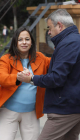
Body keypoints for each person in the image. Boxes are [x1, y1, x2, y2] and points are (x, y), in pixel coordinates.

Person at [17, 9, 80, 140]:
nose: (49, 32)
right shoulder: (75, 40)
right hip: (73, 106)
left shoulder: (68, 43)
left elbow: (57, 78)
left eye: (50, 28)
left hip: (64, 108)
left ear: (60, 25)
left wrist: (31, 78)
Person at [0, 26, 51, 140]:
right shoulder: (6, 58)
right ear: (15, 42)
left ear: (31, 42)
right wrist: (17, 77)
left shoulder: (41, 58)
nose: (24, 42)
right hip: (8, 112)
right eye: (20, 39)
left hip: (31, 112)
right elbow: (0, 77)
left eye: (27, 39)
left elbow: (58, 63)